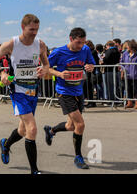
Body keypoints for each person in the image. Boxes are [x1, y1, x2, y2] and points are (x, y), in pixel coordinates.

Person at [0, 14, 49, 175]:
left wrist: (44, 69)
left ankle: (6, 144)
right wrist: (1, 73)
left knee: (23, 130)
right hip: (18, 90)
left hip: (33, 90)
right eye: (31, 29)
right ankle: (34, 170)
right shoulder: (12, 43)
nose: (34, 33)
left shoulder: (40, 44)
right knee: (32, 128)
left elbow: (46, 64)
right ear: (23, 27)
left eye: (36, 30)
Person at [43, 27, 95, 170]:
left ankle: (51, 130)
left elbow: (91, 63)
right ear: (71, 39)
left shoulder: (85, 50)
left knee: (71, 126)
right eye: (78, 42)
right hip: (64, 92)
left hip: (78, 91)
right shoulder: (59, 52)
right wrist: (59, 74)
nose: (81, 46)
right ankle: (78, 157)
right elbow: (46, 68)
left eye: (83, 42)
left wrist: (91, 67)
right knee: (80, 125)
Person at [120, 39, 137, 109]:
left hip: (136, 76)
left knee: (136, 90)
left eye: (128, 46)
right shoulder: (125, 54)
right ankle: (129, 103)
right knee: (128, 89)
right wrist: (122, 70)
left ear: (132, 47)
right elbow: (121, 62)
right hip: (127, 75)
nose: (127, 47)